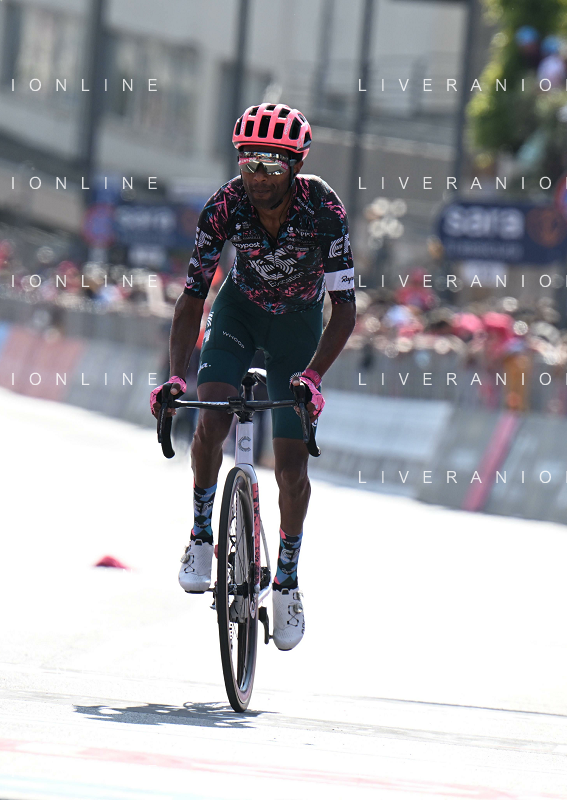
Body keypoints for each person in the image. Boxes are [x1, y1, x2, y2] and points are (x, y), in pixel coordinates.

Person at [149, 103, 357, 651]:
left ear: (297, 165)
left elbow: (345, 309)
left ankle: (286, 580)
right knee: (210, 419)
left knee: (291, 468)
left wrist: (313, 376)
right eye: (248, 162)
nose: (258, 176)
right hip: (238, 311)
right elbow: (193, 296)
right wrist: (175, 378)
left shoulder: (324, 208)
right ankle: (201, 534)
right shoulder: (225, 204)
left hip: (299, 325)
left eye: (271, 164)